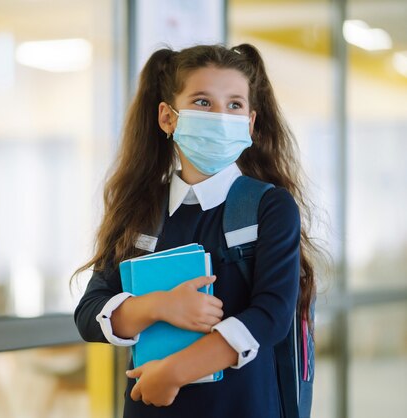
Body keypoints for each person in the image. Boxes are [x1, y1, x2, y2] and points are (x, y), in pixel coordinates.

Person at [73, 43, 318, 418]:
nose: (220, 116)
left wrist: (173, 373)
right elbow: (89, 313)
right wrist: (158, 305)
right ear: (167, 118)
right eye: (203, 102)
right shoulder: (141, 207)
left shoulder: (269, 206)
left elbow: (271, 314)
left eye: (234, 105)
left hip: (244, 407)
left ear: (250, 123)